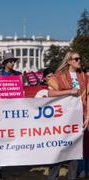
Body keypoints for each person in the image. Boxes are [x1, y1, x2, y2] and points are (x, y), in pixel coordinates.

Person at [47, 51, 89, 179]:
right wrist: (69, 91)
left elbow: (87, 97)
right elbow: (50, 93)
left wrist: (87, 116)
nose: (79, 61)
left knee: (75, 152)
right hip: (63, 118)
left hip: (79, 117)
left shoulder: (84, 77)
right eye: (76, 59)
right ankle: (52, 177)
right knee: (59, 149)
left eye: (79, 59)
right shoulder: (59, 76)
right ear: (69, 61)